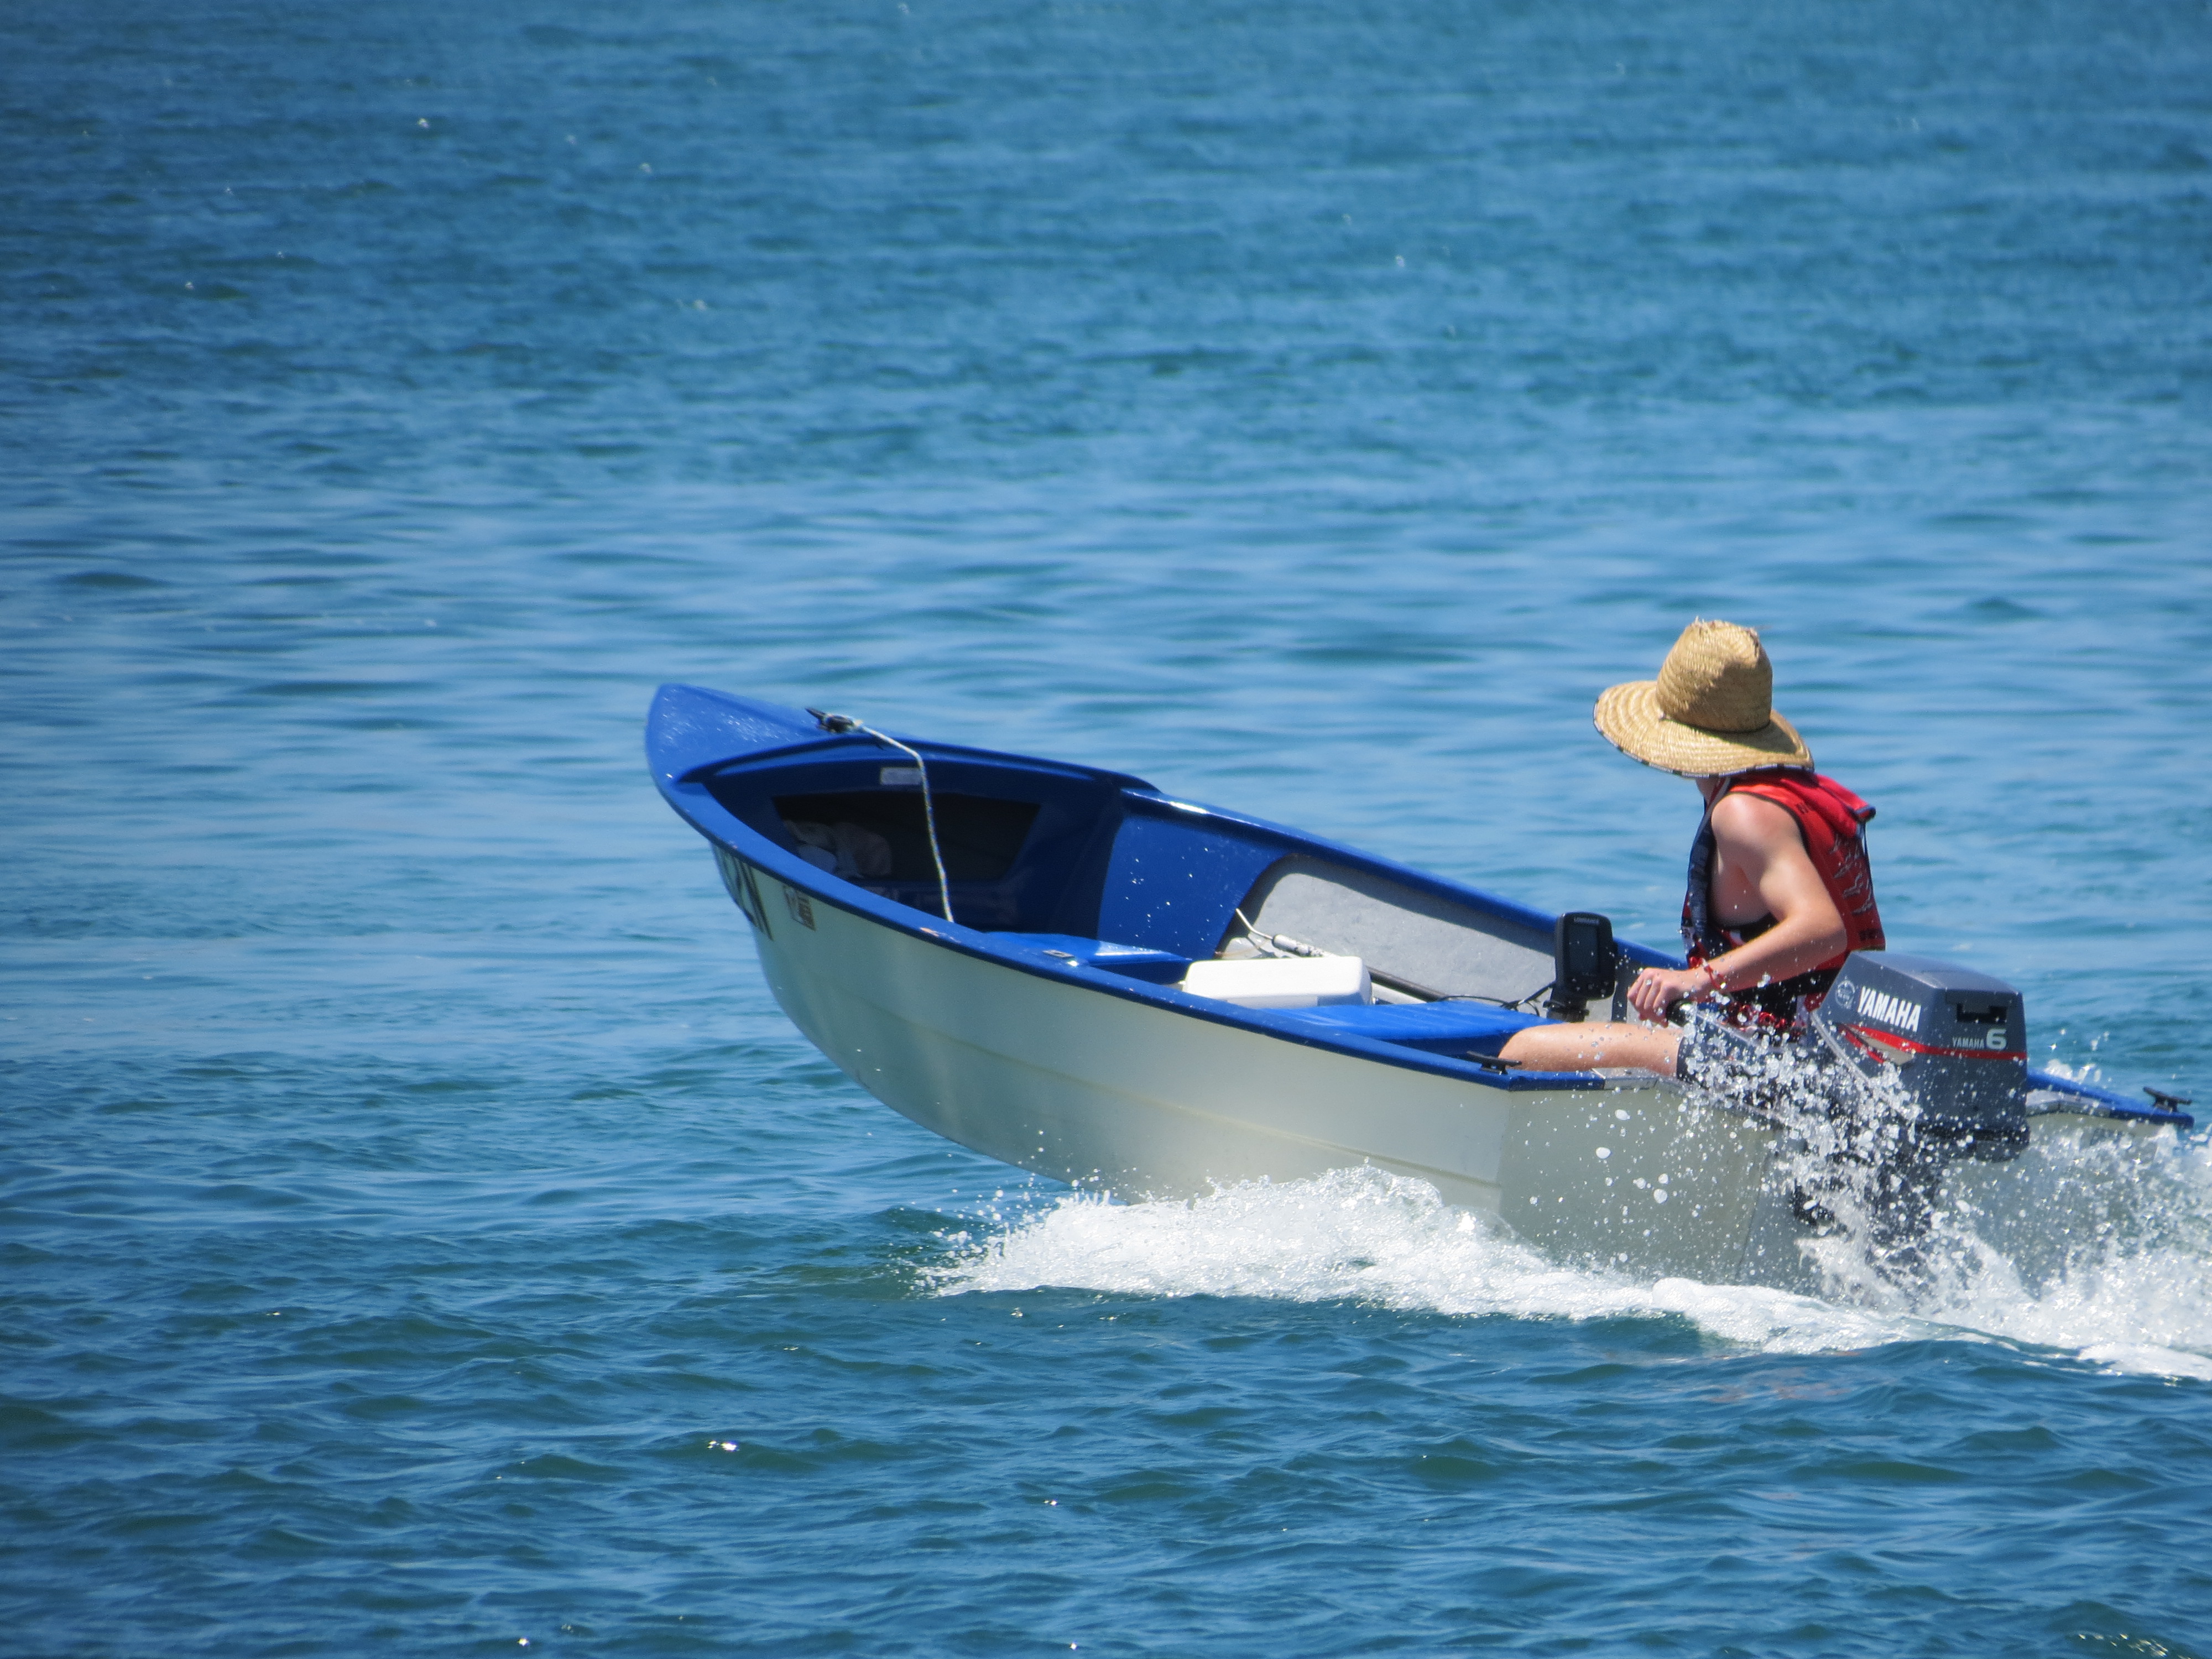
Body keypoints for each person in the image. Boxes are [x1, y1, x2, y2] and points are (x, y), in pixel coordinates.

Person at [1497, 618, 1885, 1077]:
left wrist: (1694, 980)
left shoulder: (1741, 814)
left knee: (1522, 1050)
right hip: (1831, 1052)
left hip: (1778, 1064)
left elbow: (1823, 931)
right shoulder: (1795, 798)